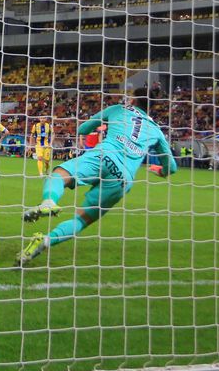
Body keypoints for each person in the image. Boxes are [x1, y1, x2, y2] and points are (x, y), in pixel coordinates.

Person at [17, 87, 175, 267]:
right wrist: (161, 171)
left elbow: (83, 129)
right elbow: (172, 167)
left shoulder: (117, 109)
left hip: (103, 155)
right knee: (82, 220)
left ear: (132, 100)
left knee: (59, 175)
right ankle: (45, 241)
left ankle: (48, 202)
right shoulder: (156, 131)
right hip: (123, 179)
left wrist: (106, 124)